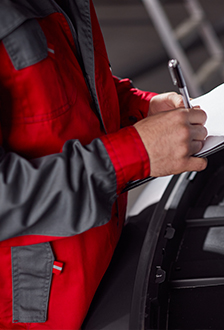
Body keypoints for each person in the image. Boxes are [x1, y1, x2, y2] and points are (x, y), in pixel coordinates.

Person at [0, 0, 207, 328]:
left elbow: (69, 88)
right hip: (42, 307)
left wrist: (140, 107)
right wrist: (136, 152)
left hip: (104, 257)